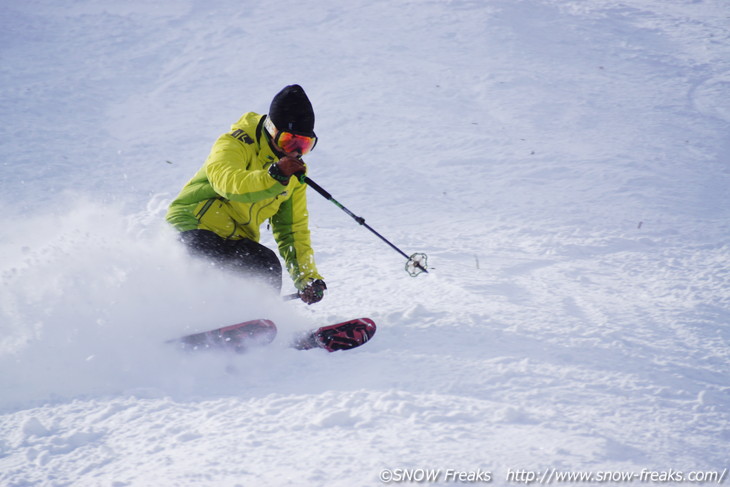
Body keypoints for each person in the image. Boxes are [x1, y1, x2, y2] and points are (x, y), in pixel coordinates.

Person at [165, 84, 327, 304]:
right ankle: (190, 316)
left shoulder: (293, 174)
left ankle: (259, 323)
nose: (295, 151)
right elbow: (228, 183)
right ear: (272, 129)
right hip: (192, 226)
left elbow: (292, 230)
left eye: (304, 144)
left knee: (264, 263)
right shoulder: (234, 143)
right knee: (206, 256)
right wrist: (274, 177)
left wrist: (307, 278)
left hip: (237, 239)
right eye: (289, 141)